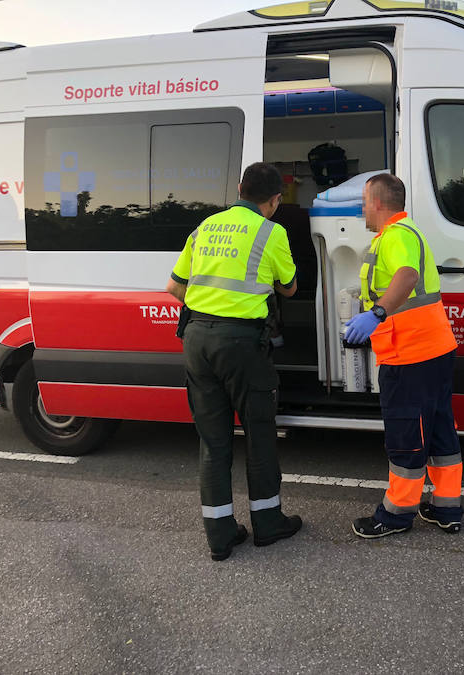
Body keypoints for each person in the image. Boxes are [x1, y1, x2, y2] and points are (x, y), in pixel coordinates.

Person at [166, 162, 302, 561]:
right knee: (259, 434)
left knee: (214, 441)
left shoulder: (204, 227)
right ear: (275, 200)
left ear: (239, 188)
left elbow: (175, 287)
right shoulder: (271, 231)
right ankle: (268, 524)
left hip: (196, 339)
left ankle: (220, 536)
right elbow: (290, 288)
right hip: (242, 344)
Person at [344, 174, 463, 538]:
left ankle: (395, 515)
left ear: (378, 203)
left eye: (364, 202)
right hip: (434, 349)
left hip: (409, 354)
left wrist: (376, 313)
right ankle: (447, 507)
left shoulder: (396, 236)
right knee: (440, 429)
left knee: (406, 433)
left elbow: (408, 276)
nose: (362, 209)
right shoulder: (406, 233)